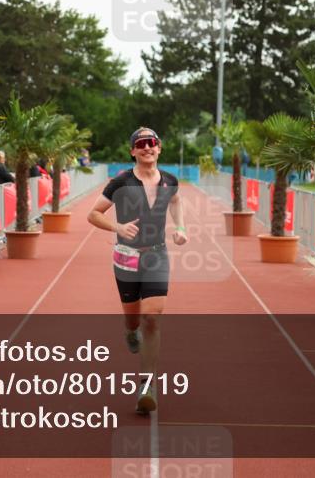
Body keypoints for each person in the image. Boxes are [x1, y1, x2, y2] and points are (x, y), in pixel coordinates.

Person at [87, 127, 186, 415]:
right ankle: (130, 332)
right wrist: (117, 227)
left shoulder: (170, 181)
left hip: (157, 255)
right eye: (141, 144)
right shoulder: (120, 183)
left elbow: (176, 201)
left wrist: (180, 228)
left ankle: (147, 385)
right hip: (126, 258)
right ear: (133, 150)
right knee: (133, 321)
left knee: (152, 318)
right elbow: (93, 214)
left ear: (159, 148)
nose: (147, 148)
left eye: (152, 143)